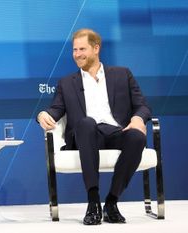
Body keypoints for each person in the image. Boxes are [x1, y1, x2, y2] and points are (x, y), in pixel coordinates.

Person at [37, 28, 151, 225]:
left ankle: (112, 202)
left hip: (116, 132)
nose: (77, 54)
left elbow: (142, 105)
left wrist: (138, 119)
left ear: (96, 48)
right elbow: (55, 109)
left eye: (82, 49)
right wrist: (42, 115)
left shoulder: (122, 74)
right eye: (74, 50)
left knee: (137, 137)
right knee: (87, 123)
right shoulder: (67, 83)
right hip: (85, 134)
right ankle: (93, 200)